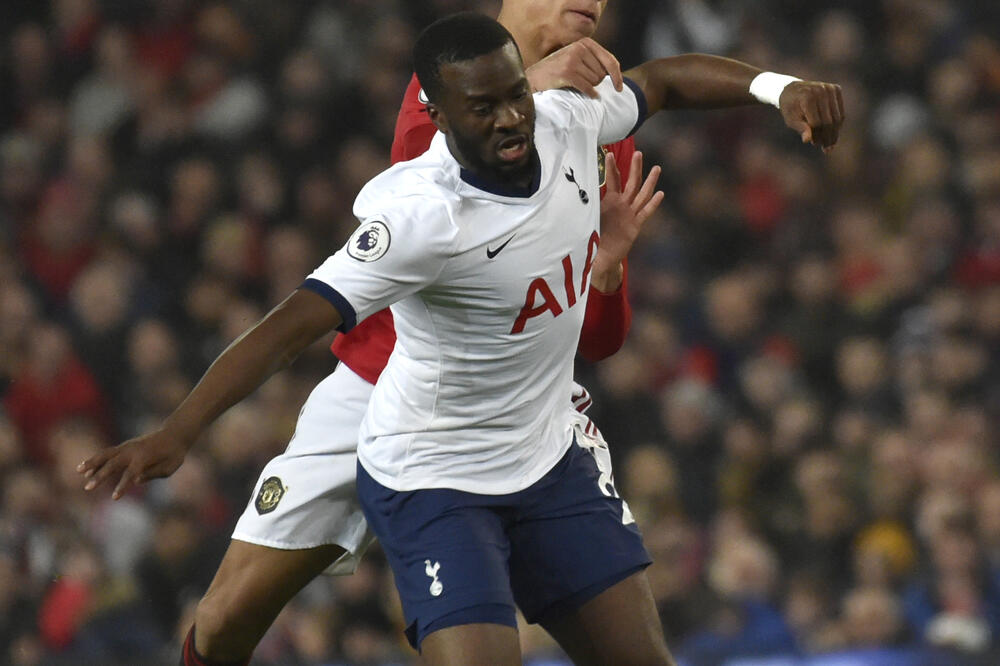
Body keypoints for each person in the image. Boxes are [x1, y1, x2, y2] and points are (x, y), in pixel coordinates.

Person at [81, 9, 845, 666]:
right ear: (441, 116)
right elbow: (290, 326)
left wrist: (780, 88)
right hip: (429, 463)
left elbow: (665, 82)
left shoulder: (569, 118)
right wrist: (177, 433)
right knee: (228, 617)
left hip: (543, 452)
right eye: (484, 109)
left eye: (516, 97)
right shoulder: (422, 217)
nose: (511, 119)